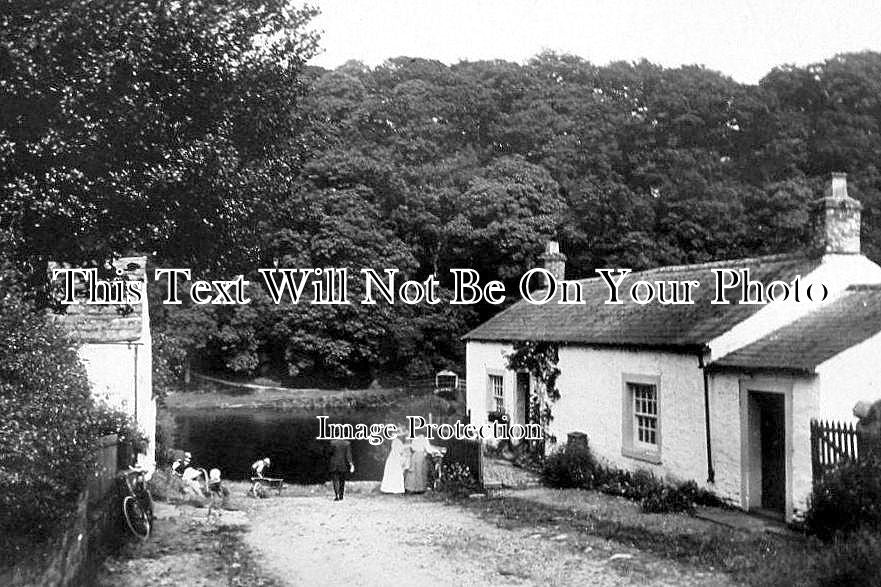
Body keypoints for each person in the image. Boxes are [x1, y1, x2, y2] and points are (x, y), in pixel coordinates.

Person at [380, 428, 408, 494]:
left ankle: (390, 488)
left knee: (393, 472)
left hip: (393, 457)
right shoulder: (398, 442)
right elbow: (400, 450)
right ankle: (395, 489)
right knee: (396, 472)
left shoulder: (395, 441)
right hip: (396, 457)